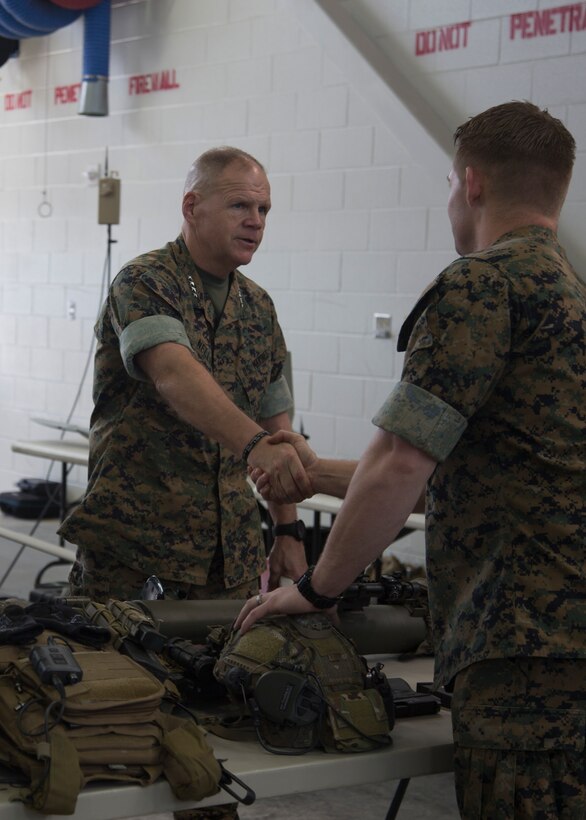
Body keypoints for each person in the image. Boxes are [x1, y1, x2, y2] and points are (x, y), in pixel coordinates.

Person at [236, 102, 586, 819]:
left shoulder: (482, 285)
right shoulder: (571, 298)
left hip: (523, 648)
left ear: (473, 183)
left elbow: (402, 462)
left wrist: (317, 590)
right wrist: (310, 465)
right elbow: (485, 473)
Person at [59, 146, 311, 820]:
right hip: (131, 534)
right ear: (192, 206)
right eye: (239, 204)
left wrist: (286, 528)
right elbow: (174, 373)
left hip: (226, 543)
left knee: (213, 700)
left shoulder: (260, 311)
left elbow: (278, 427)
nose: (255, 220)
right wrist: (257, 444)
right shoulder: (144, 282)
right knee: (96, 692)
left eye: (263, 209)